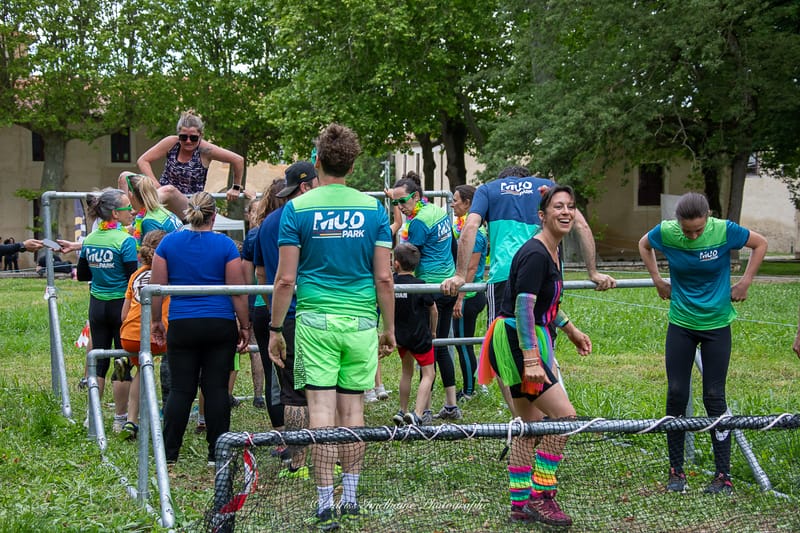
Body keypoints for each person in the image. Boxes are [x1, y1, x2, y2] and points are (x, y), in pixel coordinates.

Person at [268, 124, 395, 530]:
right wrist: (388, 327)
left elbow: (285, 280)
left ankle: (325, 504)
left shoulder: (296, 209)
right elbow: (385, 278)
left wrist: (274, 329)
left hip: (314, 322)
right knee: (353, 411)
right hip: (360, 322)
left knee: (321, 413)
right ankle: (352, 498)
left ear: (318, 161)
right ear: (353, 164)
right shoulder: (375, 209)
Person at [441, 165, 615, 415]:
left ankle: (524, 417)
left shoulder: (489, 190)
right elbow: (582, 226)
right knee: (543, 335)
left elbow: (470, 227)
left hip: (505, 277)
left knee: (504, 351)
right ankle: (539, 416)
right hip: (547, 269)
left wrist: (459, 275)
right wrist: (593, 272)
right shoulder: (545, 187)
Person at [638, 191, 768, 495]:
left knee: (714, 396)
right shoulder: (667, 232)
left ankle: (723, 476)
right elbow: (644, 244)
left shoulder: (724, 230)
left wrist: (746, 281)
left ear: (707, 218)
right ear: (678, 224)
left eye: (698, 229)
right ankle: (676, 472)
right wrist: (657, 279)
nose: (693, 235)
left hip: (717, 325)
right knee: (676, 393)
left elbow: (760, 243)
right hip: (681, 324)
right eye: (687, 231)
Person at [481, 185, 591, 527]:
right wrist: (531, 359)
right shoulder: (536, 253)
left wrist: (570, 329)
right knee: (564, 419)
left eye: (570, 206)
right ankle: (542, 497)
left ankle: (519, 504)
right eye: (558, 206)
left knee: (530, 427)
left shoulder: (550, 251)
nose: (566, 212)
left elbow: (545, 304)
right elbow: (523, 307)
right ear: (541, 215)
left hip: (520, 338)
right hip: (517, 341)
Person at [150, 191, 250, 466]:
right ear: (214, 216)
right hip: (219, 324)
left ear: (187, 214)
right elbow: (237, 292)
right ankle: (217, 454)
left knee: (181, 390)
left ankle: (169, 454)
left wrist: (156, 321)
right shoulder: (226, 246)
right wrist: (245, 325)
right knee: (216, 389)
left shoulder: (168, 244)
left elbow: (157, 289)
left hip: (182, 324)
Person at [255, 168, 316, 478]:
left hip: (284, 318)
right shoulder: (308, 217)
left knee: (291, 390)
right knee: (319, 386)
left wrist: (274, 315)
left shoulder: (267, 223)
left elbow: (263, 274)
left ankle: (297, 459)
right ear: (306, 186)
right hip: (314, 312)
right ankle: (325, 453)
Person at [387, 172, 460, 420]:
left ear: (416, 196)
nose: (400, 207)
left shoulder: (418, 223)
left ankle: (423, 410)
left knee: (426, 349)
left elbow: (411, 259)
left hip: (427, 290)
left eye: (402, 201)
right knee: (441, 346)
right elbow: (452, 245)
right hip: (449, 285)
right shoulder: (439, 212)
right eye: (395, 203)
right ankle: (451, 403)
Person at [76, 188, 139, 432]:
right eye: (126, 208)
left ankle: (92, 416)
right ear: (115, 213)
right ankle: (120, 418)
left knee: (98, 363)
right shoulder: (125, 241)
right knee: (122, 360)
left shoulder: (90, 240)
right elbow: (132, 277)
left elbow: (82, 275)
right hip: (120, 306)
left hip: (97, 305)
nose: (131, 212)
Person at [122, 111, 248, 217]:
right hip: (160, 196)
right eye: (183, 137)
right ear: (178, 135)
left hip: (188, 205)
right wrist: (154, 182)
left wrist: (236, 187)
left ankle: (142, 211)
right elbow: (143, 160)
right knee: (125, 176)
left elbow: (238, 160)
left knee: (169, 190)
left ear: (200, 135)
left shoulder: (206, 150)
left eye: (193, 138)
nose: (188, 141)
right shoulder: (171, 143)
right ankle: (127, 214)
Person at [118, 230, 170, 441]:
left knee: (142, 367)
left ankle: (131, 420)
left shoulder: (135, 275)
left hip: (129, 335)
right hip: (158, 337)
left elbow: (123, 314)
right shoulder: (170, 273)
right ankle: (171, 415)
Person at [391, 243, 438, 426]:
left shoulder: (392, 284)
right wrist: (433, 331)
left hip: (401, 337)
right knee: (429, 373)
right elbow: (433, 310)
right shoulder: (420, 286)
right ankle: (417, 413)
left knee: (406, 372)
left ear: (396, 264)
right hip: (420, 337)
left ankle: (402, 410)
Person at [450, 184, 488, 401]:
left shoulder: (477, 234)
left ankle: (470, 390)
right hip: (466, 296)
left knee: (463, 344)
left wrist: (460, 299)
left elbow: (471, 268)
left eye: (456, 200)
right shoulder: (464, 227)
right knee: (462, 342)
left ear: (468, 204)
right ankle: (471, 384)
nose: (453, 203)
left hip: (470, 297)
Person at [118, 172, 182, 246]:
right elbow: (133, 228)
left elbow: (151, 254)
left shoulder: (148, 222)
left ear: (130, 195)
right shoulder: (158, 209)